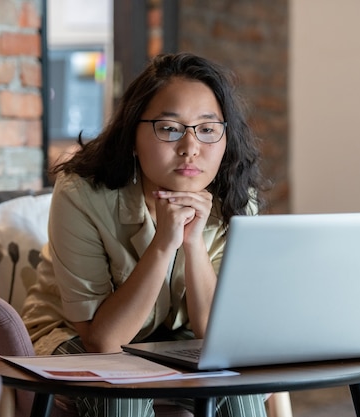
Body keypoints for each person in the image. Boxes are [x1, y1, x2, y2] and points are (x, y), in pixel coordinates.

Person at [21, 52, 267, 417]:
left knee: (237, 387)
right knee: (125, 393)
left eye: (207, 128)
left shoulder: (234, 200)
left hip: (176, 339)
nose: (190, 147)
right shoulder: (82, 193)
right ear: (133, 134)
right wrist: (165, 242)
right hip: (72, 336)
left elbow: (219, 338)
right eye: (169, 128)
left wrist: (193, 243)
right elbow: (103, 340)